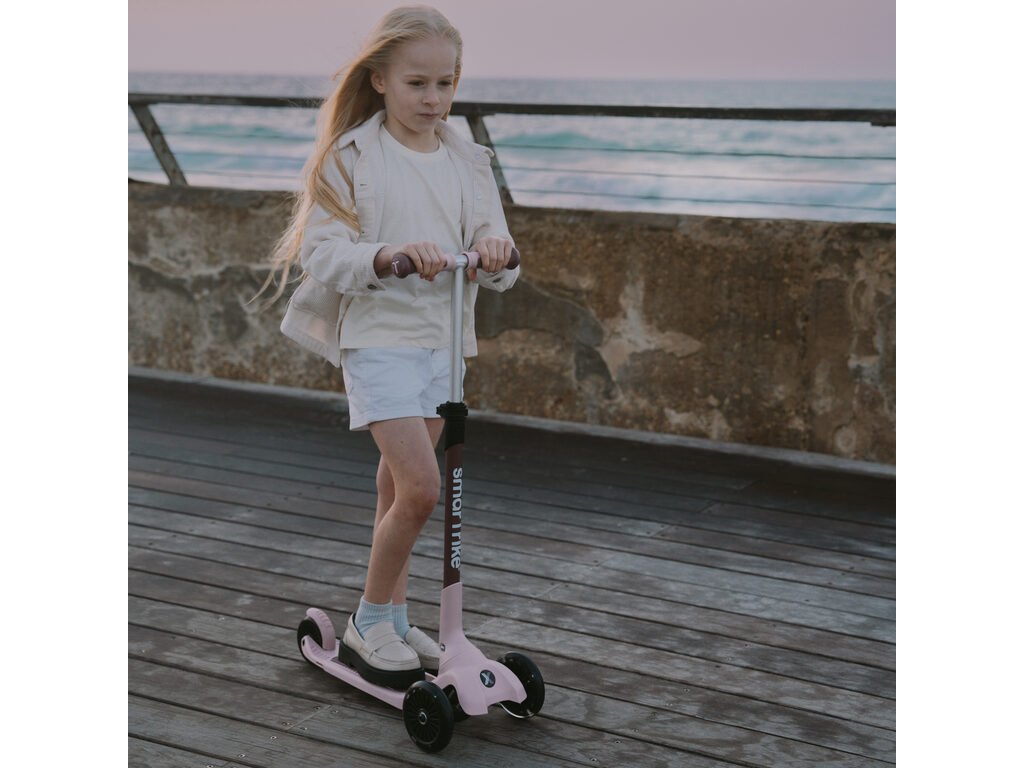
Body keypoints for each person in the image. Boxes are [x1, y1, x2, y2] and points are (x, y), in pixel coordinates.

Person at [256, 5, 519, 689]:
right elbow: (323, 253)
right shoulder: (351, 158)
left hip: (443, 345)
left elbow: (497, 245)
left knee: (396, 486)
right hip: (379, 341)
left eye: (445, 84)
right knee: (423, 490)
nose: (433, 99)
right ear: (379, 79)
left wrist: (496, 251)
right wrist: (386, 255)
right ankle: (369, 620)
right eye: (416, 84)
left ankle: (395, 620)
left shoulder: (467, 158)